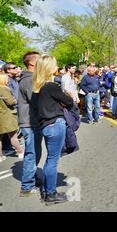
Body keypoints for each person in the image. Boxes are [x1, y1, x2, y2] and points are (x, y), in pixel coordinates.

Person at [31, 55, 73, 205]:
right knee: (53, 160)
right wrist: (66, 99)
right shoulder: (50, 86)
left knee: (50, 159)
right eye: (55, 64)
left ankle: (48, 192)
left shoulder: (38, 86)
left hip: (46, 125)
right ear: (49, 67)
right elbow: (68, 101)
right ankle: (51, 193)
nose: (57, 66)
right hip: (55, 124)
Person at [17, 52, 43, 196]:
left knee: (35, 152)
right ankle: (26, 186)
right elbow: (35, 101)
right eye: (40, 61)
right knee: (32, 154)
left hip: (32, 122)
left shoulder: (30, 78)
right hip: (30, 122)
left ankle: (31, 178)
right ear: (32, 64)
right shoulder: (29, 80)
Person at [0, 73, 24, 162]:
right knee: (13, 136)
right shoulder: (3, 88)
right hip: (7, 115)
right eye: (6, 79)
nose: (8, 80)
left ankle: (0, 155)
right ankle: (20, 152)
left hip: (2, 114)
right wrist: (15, 99)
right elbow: (11, 102)